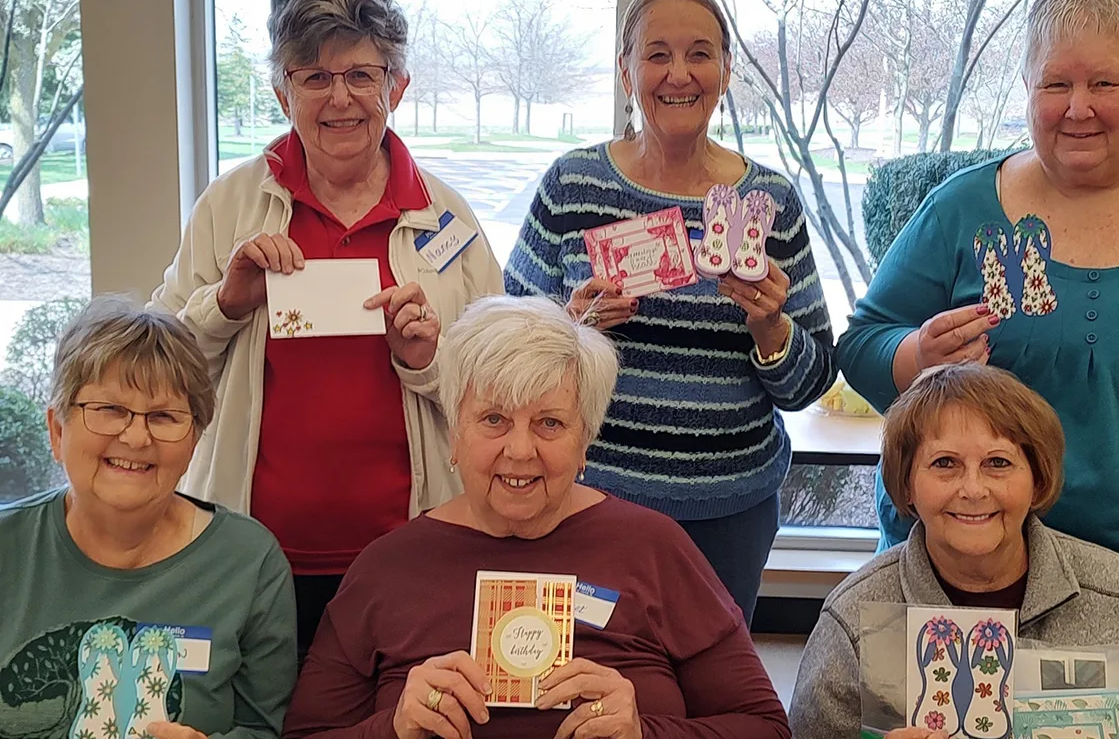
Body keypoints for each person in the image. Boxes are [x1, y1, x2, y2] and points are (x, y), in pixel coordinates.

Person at [837, 0, 1119, 642]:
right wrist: (921, 353)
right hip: (973, 571)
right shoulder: (962, 209)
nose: (1077, 107)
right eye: (1055, 84)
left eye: (1104, 83)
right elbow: (861, 345)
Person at [151, 0, 502, 654]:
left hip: (411, 551)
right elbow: (155, 370)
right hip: (250, 552)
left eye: (361, 74)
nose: (340, 97)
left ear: (396, 86)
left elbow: (497, 387)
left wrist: (429, 361)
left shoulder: (447, 217)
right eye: (314, 76)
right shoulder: (229, 207)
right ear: (283, 92)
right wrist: (226, 303)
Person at [282, 296, 791, 739]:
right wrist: (392, 728)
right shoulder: (386, 568)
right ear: (455, 435)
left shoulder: (654, 547)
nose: (520, 451)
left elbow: (766, 727)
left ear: (585, 440)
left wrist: (644, 730)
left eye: (550, 423)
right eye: (494, 419)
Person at [503, 0, 836, 625]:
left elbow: (813, 379)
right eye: (656, 54)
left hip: (729, 509)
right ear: (625, 71)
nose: (678, 74)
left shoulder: (768, 202)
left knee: (706, 685)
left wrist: (770, 328)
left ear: (726, 72)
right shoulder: (573, 187)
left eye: (699, 54)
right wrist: (570, 328)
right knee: (592, 677)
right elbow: (503, 352)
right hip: (591, 499)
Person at [789, 363, 1119, 739]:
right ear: (907, 485)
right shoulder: (853, 619)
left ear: (1037, 480)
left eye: (998, 463)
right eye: (945, 463)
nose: (973, 489)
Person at [0, 298, 296, 738]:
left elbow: (268, 729)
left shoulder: (249, 564)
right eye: (109, 410)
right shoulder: (8, 547)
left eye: (163, 416)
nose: (136, 437)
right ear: (57, 431)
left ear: (194, 440)